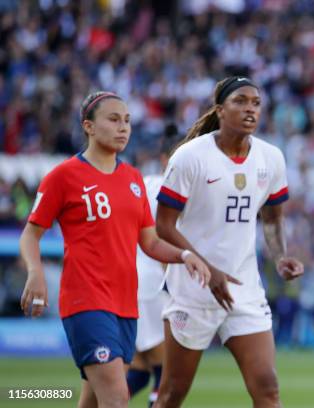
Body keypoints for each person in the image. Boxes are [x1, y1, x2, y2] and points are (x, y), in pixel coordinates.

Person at [19, 91, 210, 408]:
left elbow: (149, 242)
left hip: (126, 306)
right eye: (113, 119)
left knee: (92, 402)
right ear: (88, 127)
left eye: (127, 121)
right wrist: (35, 271)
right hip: (87, 301)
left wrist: (185, 256)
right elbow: (30, 233)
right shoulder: (63, 176)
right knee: (118, 399)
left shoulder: (133, 179)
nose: (123, 127)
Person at [153, 76, 304, 408]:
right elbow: (163, 225)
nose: (250, 108)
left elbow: (273, 218)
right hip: (191, 289)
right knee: (171, 393)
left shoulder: (271, 158)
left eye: (256, 102)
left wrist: (280, 256)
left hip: (243, 288)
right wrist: (208, 269)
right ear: (220, 109)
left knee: (267, 387)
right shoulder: (190, 157)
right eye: (240, 101)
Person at [127, 126, 178, 407]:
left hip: (132, 281)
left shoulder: (142, 183)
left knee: (139, 370)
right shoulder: (169, 190)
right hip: (153, 285)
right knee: (165, 371)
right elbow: (160, 240)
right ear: (164, 159)